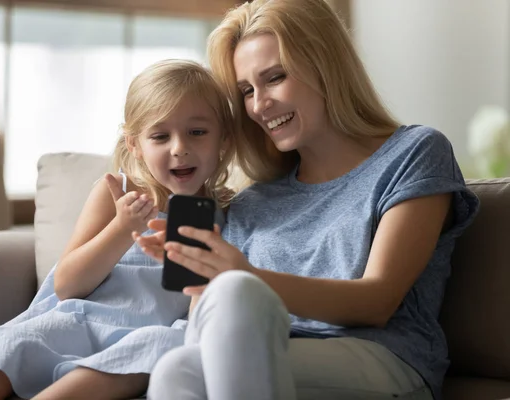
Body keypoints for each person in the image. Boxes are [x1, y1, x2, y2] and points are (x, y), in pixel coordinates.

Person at [136, 1, 480, 399]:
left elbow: (377, 300)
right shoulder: (253, 202)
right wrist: (202, 281)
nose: (259, 104)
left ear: (325, 65)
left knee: (227, 303)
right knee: (176, 367)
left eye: (275, 78)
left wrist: (243, 277)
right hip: (262, 352)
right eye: (247, 91)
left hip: (381, 357)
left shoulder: (414, 153)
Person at [0, 59, 235, 400]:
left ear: (222, 138)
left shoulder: (230, 212)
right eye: (160, 136)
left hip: (149, 333)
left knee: (161, 345)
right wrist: (122, 227)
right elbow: (67, 285)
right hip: (78, 320)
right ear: (134, 145)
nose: (180, 148)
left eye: (197, 132)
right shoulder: (115, 193)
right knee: (9, 342)